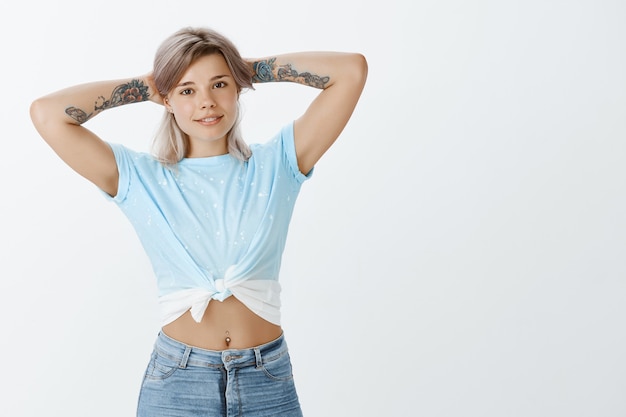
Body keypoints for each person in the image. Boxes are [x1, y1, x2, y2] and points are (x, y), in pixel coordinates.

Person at [30, 26, 367, 416]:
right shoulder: (140, 178)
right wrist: (148, 84)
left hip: (266, 379)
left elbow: (351, 72)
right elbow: (47, 114)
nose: (206, 101)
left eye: (219, 84)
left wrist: (244, 69)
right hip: (179, 381)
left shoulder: (278, 164)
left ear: (237, 90)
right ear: (167, 99)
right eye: (187, 90)